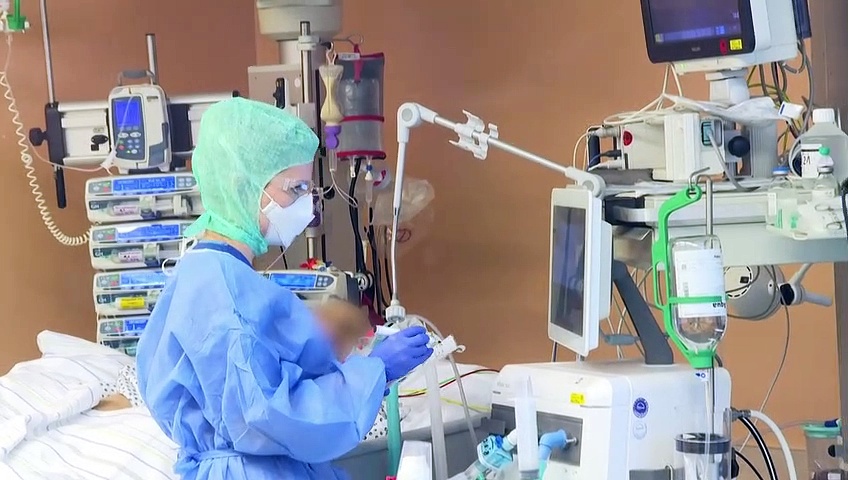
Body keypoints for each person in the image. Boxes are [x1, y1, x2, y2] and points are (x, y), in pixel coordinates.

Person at [136, 97, 433, 480]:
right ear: (242, 186)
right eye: (296, 188)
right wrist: (375, 370)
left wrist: (364, 368)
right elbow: (273, 415)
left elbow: (281, 381)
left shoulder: (210, 274)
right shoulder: (223, 290)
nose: (308, 205)